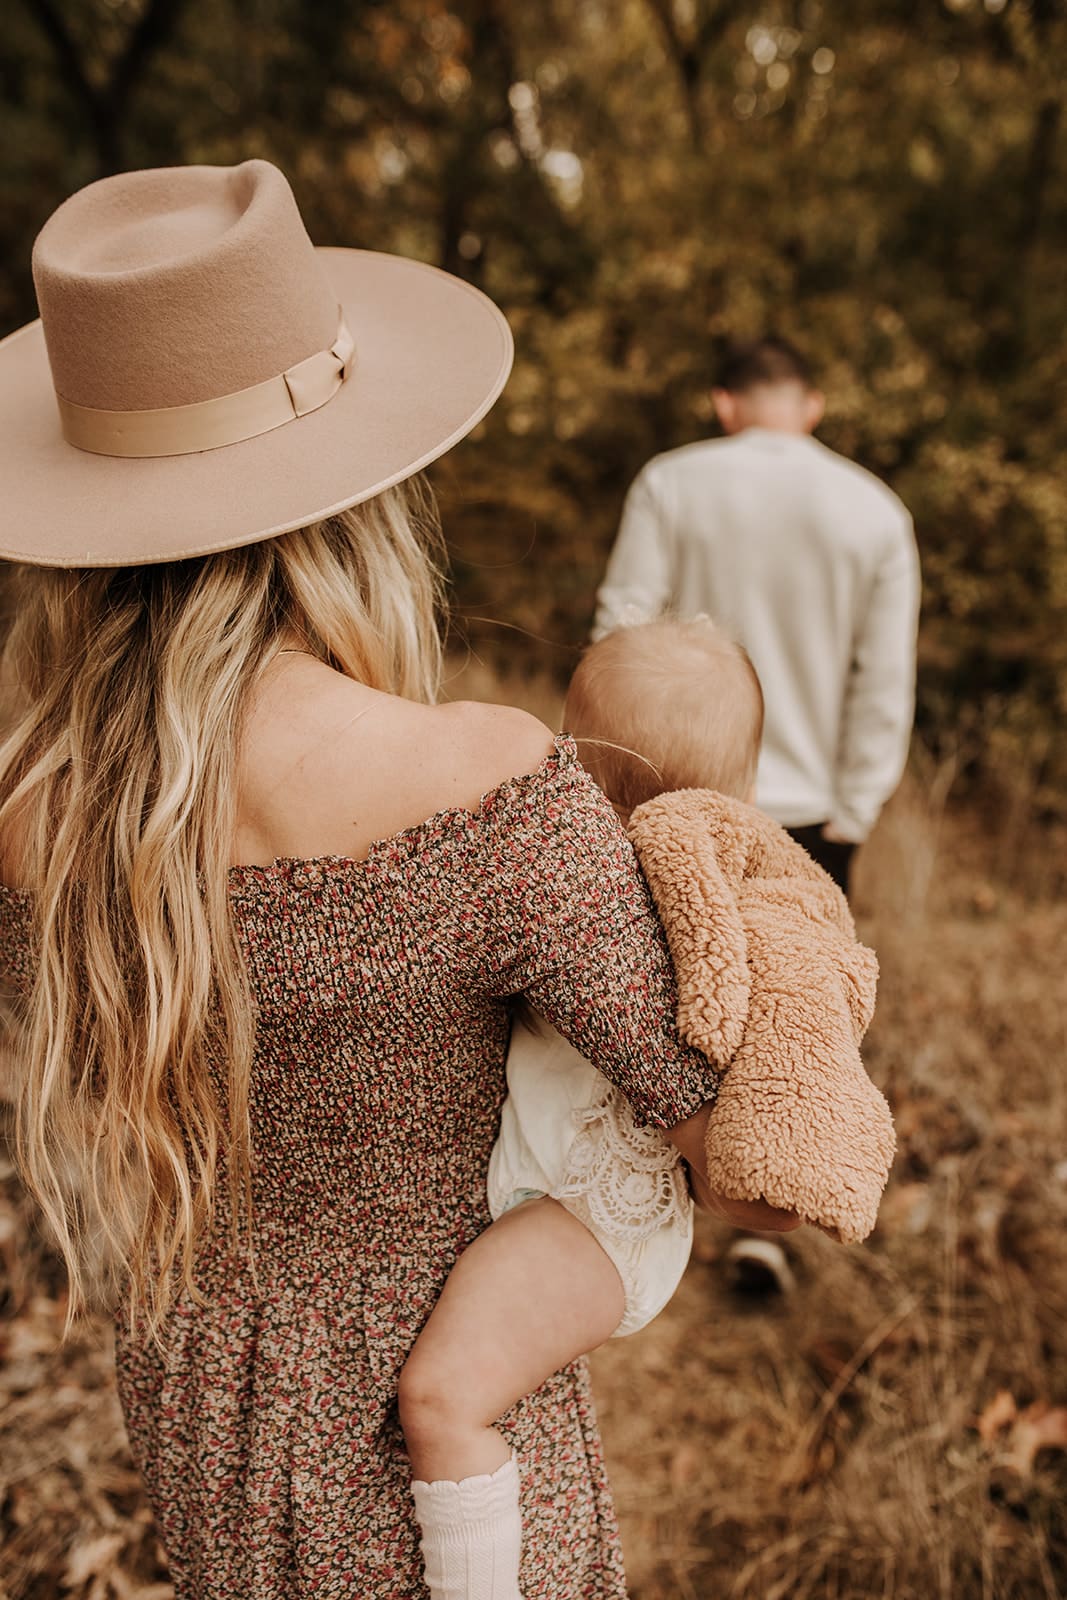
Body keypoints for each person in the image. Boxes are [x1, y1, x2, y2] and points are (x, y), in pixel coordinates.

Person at [0, 160, 790, 1600]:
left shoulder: (33, 822)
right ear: (350, 496)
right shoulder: (490, 785)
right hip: (436, 1445)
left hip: (202, 1402)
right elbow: (741, 1160)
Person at [399, 618, 894, 1598]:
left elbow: (785, 1020)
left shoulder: (688, 898)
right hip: (553, 1183)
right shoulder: (587, 871)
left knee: (441, 1398)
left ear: (577, 759)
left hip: (594, 1212)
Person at [593, 337, 922, 896]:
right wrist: (854, 812)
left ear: (723, 403)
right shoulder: (877, 508)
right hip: (813, 813)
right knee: (800, 978)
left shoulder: (669, 482)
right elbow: (885, 678)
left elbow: (619, 638)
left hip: (675, 802)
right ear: (812, 406)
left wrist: (609, 784)